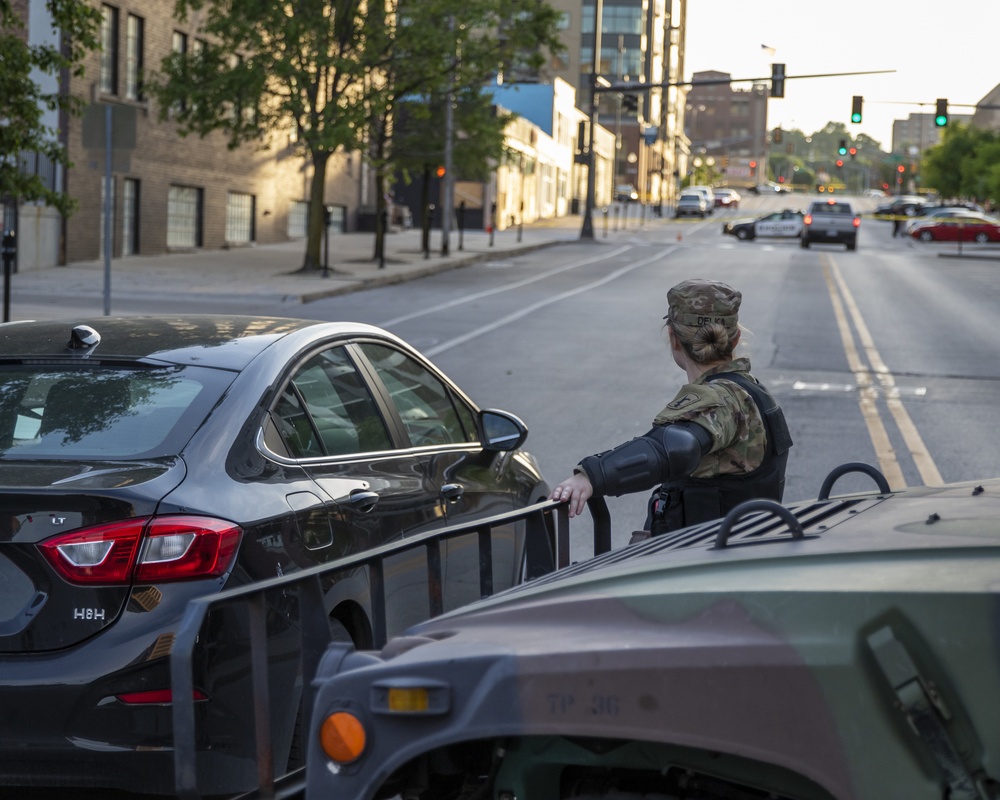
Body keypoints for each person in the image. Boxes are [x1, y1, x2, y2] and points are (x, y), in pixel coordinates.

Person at [548, 278, 792, 538]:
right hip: (740, 554)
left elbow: (677, 447)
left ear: (673, 338)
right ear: (735, 339)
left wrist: (591, 476)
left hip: (705, 564)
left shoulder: (721, 398)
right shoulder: (751, 391)